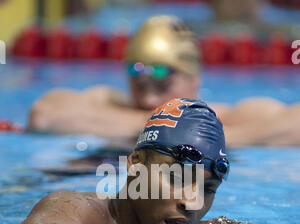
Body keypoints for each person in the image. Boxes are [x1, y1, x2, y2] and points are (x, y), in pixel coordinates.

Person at [14, 99, 276, 224]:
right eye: (177, 178)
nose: (193, 203)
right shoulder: (73, 207)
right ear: (136, 165)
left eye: (208, 189)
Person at [27, 15, 300, 147]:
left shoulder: (232, 116)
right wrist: (163, 126)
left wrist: (201, 134)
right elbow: (44, 115)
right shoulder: (108, 100)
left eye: (162, 85)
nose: (148, 99)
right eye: (139, 84)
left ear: (194, 77)